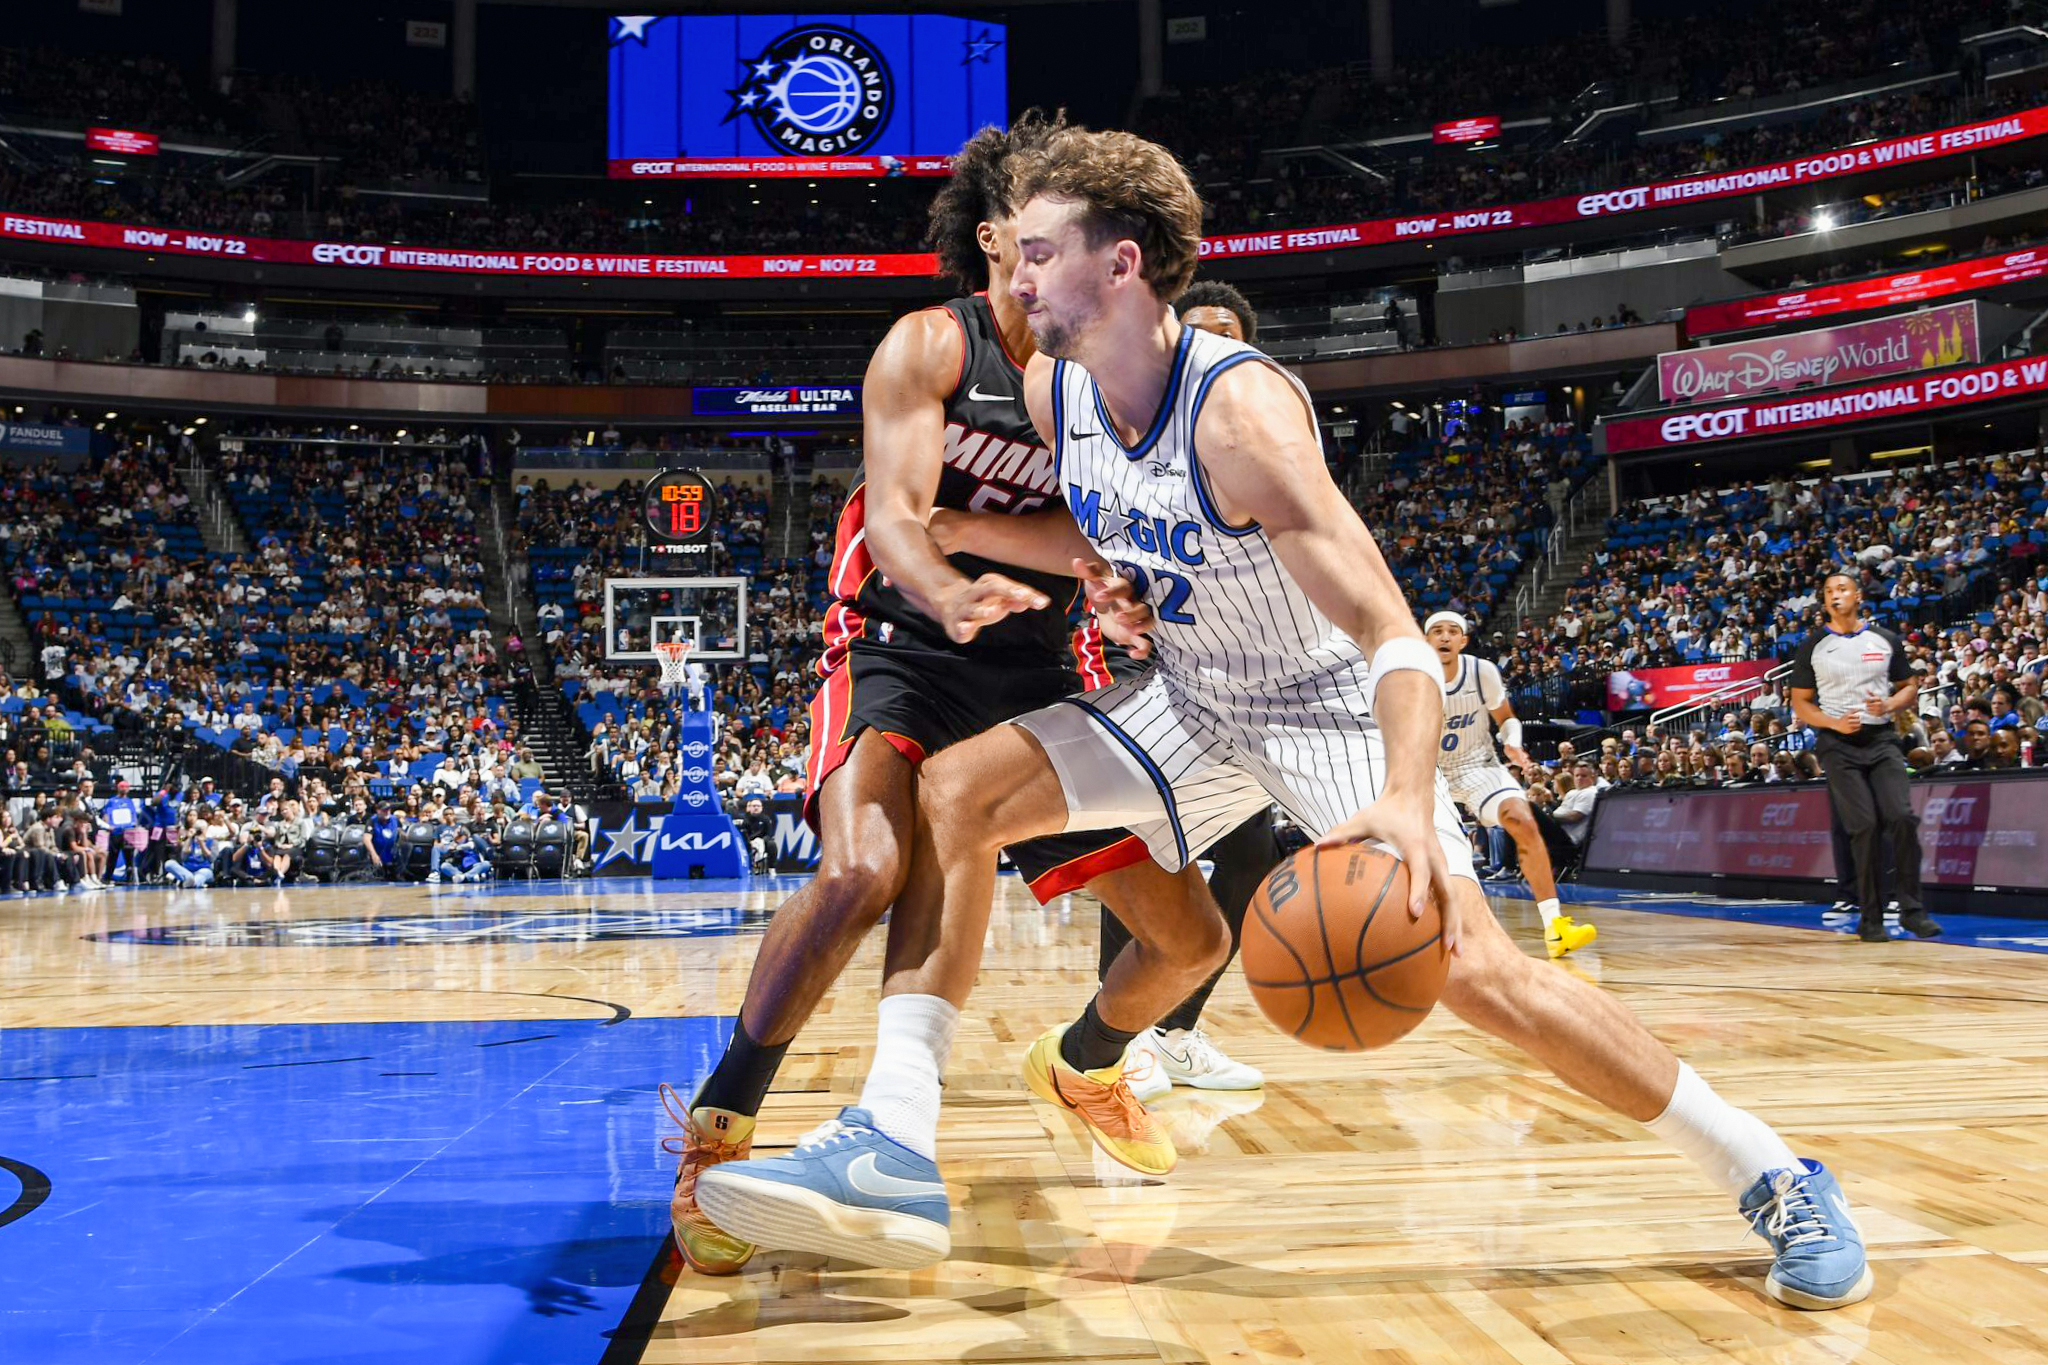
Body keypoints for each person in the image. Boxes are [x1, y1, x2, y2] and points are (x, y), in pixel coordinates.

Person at [695, 124, 1871, 1313]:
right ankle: (892, 1138)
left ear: (1123, 266)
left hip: (1323, 711)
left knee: (1476, 972)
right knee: (957, 793)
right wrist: (1063, 566)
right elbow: (1105, 532)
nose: (1016, 275)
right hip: (1191, 695)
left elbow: (1392, 635)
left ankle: (1771, 1171)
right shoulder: (1055, 389)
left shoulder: (1239, 417)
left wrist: (1403, 799)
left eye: (1042, 252)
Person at [666, 111, 1236, 1277]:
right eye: (1038, 227)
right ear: (996, 239)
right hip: (895, 646)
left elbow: (1107, 527)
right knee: (861, 871)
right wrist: (947, 585)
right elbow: (894, 519)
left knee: (1187, 942)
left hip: (1035, 665)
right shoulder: (931, 345)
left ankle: (1082, 1060)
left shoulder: (1097, 369)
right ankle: (717, 1127)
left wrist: (1118, 584)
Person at [1424, 611, 1595, 958]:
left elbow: (1506, 719)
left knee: (1522, 819)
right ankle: (1426, 930)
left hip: (1477, 764)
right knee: (1433, 850)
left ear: (1463, 640)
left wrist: (1512, 742)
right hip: (1428, 770)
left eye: (1452, 631)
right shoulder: (1413, 676)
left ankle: (1555, 926)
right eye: (1437, 631)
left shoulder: (1481, 671)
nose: (1444, 637)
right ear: (1426, 640)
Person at [1787, 572, 1940, 943]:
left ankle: (1912, 910)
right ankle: (1870, 916)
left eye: (1841, 589)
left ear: (1857, 595)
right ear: (1824, 602)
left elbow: (1909, 686)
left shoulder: (1885, 639)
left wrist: (1888, 703)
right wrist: (1834, 724)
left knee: (1901, 817)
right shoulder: (1814, 645)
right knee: (1865, 826)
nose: (1835, 596)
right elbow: (1800, 702)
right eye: (1828, 592)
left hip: (1883, 738)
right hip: (1838, 745)